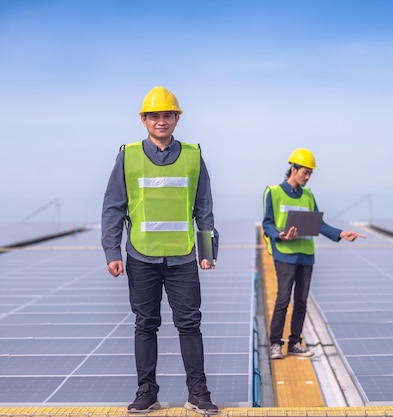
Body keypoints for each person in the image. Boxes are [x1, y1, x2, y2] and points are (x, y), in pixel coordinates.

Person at [101, 86, 219, 414]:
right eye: (154, 115)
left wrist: (208, 250)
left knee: (190, 324)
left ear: (177, 119)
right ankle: (146, 393)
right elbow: (113, 206)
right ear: (143, 120)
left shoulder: (194, 155)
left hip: (182, 256)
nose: (161, 121)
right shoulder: (129, 155)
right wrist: (111, 251)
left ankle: (198, 393)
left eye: (168, 115)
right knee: (145, 324)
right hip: (141, 256)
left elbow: (204, 205)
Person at [262, 148, 366, 360]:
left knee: (301, 301)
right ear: (293, 168)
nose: (308, 177)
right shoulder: (273, 192)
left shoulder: (308, 195)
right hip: (285, 254)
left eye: (310, 173)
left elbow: (318, 224)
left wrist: (340, 233)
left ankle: (294, 344)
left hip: (306, 256)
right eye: (305, 172)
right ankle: (275, 343)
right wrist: (281, 235)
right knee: (283, 300)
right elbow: (267, 224)